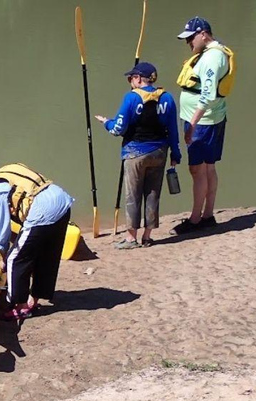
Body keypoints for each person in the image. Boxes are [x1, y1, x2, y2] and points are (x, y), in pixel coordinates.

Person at [0, 164, 73, 321]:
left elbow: (2, 235)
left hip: (43, 210)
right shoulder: (3, 175)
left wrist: (4, 260)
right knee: (46, 255)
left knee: (14, 258)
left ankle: (20, 306)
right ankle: (34, 299)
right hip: (62, 201)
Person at [95, 62, 182, 248]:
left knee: (133, 195)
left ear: (138, 78)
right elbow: (173, 130)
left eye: (131, 78)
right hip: (160, 152)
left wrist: (106, 122)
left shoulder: (131, 99)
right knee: (153, 193)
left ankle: (130, 238)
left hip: (135, 153)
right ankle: (147, 236)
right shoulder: (167, 98)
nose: (130, 82)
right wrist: (176, 153)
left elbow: (118, 129)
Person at [171, 16, 236, 235]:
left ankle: (196, 219)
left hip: (203, 122)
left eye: (191, 38)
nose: (188, 43)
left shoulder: (211, 59)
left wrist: (191, 125)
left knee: (197, 170)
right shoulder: (215, 53)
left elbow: (206, 94)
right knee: (208, 167)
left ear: (203, 34)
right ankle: (207, 215)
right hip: (212, 118)